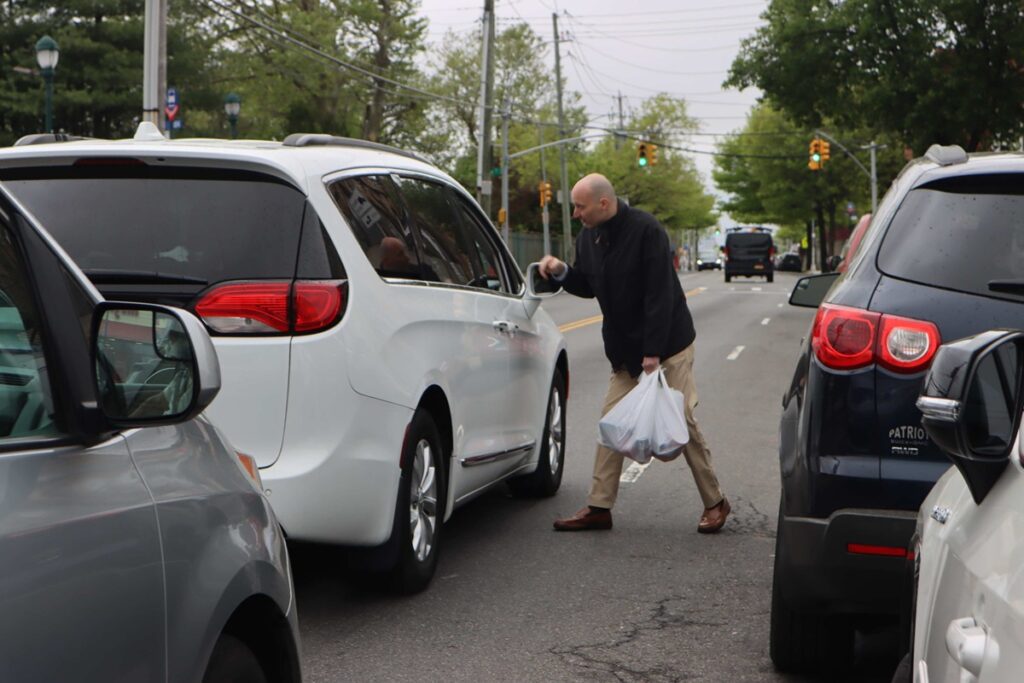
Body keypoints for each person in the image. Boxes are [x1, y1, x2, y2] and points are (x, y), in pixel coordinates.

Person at [540, 173, 729, 533]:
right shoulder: (588, 237)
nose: (576, 213)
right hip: (625, 351)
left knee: (681, 422)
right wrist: (562, 272)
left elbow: (659, 294)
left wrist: (653, 352)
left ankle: (715, 502)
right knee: (611, 423)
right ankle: (599, 507)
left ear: (604, 204)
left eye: (580, 207)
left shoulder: (647, 231)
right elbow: (588, 285)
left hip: (668, 345)